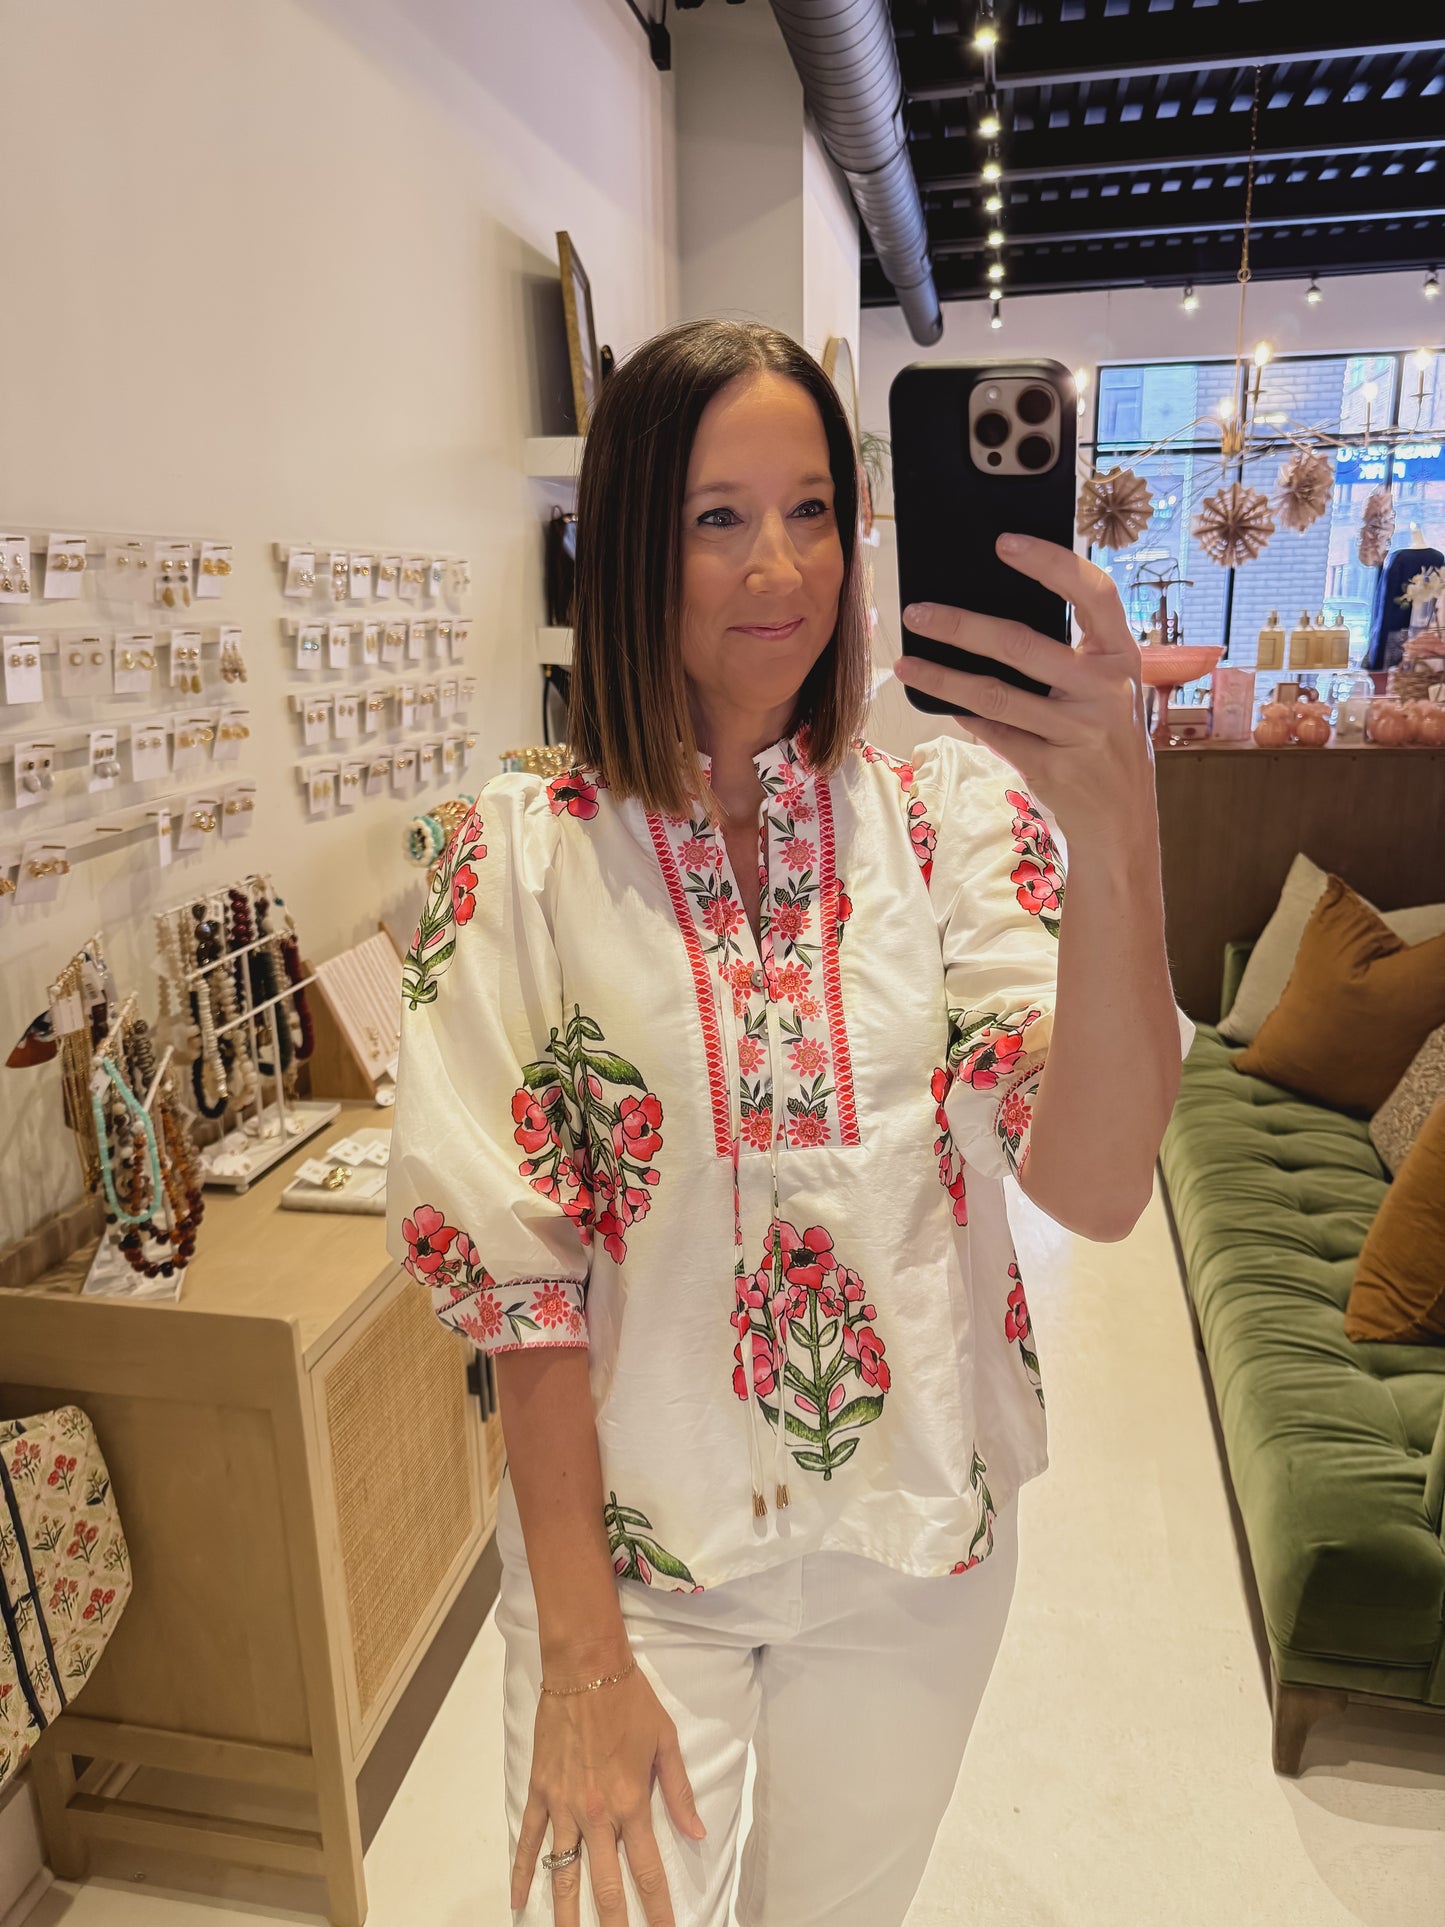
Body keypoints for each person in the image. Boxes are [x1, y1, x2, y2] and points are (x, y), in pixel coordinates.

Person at [386, 318, 1194, 1926]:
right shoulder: (518, 861)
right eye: (717, 515)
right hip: (636, 1576)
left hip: (913, 1558)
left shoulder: (945, 819)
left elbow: (1095, 1189)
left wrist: (1114, 837)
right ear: (629, 541)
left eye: (814, 508)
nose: (781, 565)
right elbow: (523, 1297)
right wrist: (582, 1660)